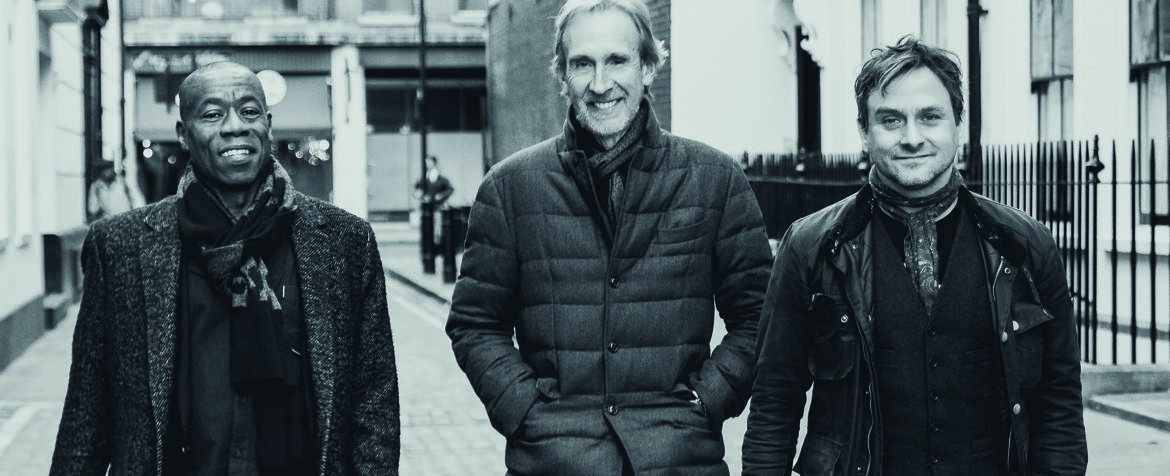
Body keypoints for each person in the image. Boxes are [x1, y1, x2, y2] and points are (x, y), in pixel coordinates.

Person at [445, 1, 773, 474]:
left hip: (679, 460)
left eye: (617, 60)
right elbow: (475, 324)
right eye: (583, 63)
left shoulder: (714, 179)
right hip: (553, 461)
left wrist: (707, 401)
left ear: (648, 67)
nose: (600, 84)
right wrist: (526, 412)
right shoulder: (509, 187)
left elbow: (761, 316)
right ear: (563, 74)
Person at [741, 36, 1087, 475]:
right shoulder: (811, 247)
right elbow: (775, 402)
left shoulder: (1024, 245)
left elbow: (1059, 406)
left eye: (930, 117)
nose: (911, 137)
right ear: (864, 131)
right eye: (891, 120)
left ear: (958, 123)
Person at [51, 61, 400, 475]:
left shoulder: (345, 242)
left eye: (249, 111)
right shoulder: (119, 247)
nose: (235, 126)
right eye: (213, 114)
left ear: (268, 125)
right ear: (183, 134)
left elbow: (374, 401)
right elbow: (87, 416)